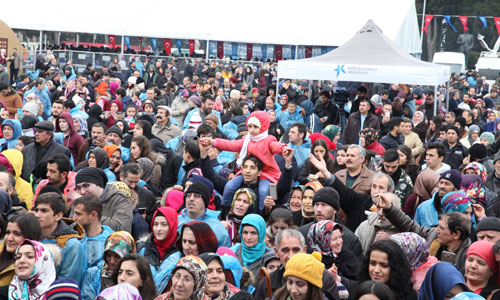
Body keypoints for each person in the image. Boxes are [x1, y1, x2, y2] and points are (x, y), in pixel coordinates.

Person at [202, 111, 292, 210]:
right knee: (229, 186)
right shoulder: (246, 140)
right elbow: (231, 144)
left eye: (255, 127)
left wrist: (283, 148)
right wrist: (214, 142)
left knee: (263, 191)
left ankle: (261, 213)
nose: (252, 130)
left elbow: (275, 146)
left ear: (263, 127)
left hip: (267, 173)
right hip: (247, 173)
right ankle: (226, 211)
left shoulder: (268, 139)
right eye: (250, 126)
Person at [377, 193, 472, 273]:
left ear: (456, 234)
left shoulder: (467, 256)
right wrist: (389, 208)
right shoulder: (432, 236)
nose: (436, 230)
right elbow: (409, 226)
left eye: (441, 228)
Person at [254, 229, 341, 300]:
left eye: (296, 250)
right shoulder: (267, 282)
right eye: (285, 250)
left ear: (304, 249)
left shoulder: (324, 277)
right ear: (276, 252)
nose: (291, 256)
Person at [33, 192, 86, 285]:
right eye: (36, 210)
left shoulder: (72, 245)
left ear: (58, 216)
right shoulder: (30, 237)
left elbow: (67, 283)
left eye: (44, 211)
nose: (37, 215)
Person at [81, 231, 136, 300]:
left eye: (117, 256)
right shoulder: (93, 274)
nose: (112, 261)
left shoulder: (136, 275)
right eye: (108, 255)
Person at [75, 167, 133, 232]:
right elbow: (72, 225)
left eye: (86, 185)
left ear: (99, 184)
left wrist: (89, 215)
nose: (82, 192)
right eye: (78, 188)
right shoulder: (80, 200)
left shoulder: (120, 199)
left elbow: (121, 228)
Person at [177, 181, 230, 247]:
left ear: (205, 201)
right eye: (188, 195)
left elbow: (224, 254)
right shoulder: (176, 222)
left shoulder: (217, 228)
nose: (191, 199)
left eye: (197, 196)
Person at [0, 213, 42, 297]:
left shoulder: (35, 267)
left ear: (30, 236)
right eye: (8, 232)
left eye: (17, 234)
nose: (9, 238)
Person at [72, 194, 114, 269]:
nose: (74, 218)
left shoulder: (112, 241)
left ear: (93, 215)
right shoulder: (73, 238)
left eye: (78, 214)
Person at [231, 214, 272, 278]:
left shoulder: (270, 257)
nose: (248, 237)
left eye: (253, 233)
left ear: (261, 234)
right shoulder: (232, 252)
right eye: (245, 232)